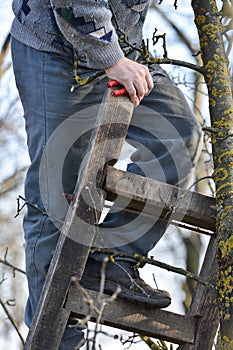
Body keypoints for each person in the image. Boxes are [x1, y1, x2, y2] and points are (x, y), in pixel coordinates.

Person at [11, 1, 202, 348]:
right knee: (57, 197)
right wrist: (110, 58)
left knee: (177, 134)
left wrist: (119, 57)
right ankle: (57, 342)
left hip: (126, 49)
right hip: (57, 50)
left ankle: (111, 262)